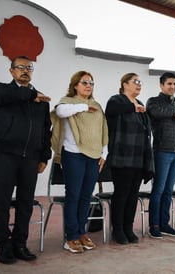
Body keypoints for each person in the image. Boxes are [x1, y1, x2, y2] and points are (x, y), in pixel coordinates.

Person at [0, 56, 51, 264]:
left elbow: (46, 131)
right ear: (11, 71)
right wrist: (31, 94)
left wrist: (44, 156)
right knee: (3, 202)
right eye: (20, 67)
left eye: (29, 67)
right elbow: (12, 94)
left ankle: (20, 244)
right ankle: (3, 245)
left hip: (31, 158)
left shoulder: (40, 100)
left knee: (25, 203)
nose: (25, 71)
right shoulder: (2, 91)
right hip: (6, 155)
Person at [51, 71, 108, 253]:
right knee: (73, 195)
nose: (89, 85)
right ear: (75, 84)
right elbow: (59, 112)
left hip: (93, 156)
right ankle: (71, 237)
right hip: (73, 154)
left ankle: (82, 232)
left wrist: (104, 153)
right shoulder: (68, 102)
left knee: (86, 197)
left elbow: (103, 130)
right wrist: (83, 107)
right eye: (84, 82)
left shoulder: (97, 105)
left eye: (91, 83)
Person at [105, 73, 154, 244]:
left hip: (139, 158)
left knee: (133, 195)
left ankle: (128, 227)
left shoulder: (140, 104)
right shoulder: (116, 100)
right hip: (122, 157)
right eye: (135, 82)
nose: (139, 85)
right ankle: (117, 230)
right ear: (125, 84)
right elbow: (111, 111)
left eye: (140, 82)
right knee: (121, 193)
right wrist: (133, 108)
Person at [146, 72, 175, 239]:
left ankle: (164, 224)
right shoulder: (154, 102)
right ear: (161, 85)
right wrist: (172, 112)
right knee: (159, 190)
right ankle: (154, 226)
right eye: (169, 84)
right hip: (161, 151)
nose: (173, 87)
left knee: (169, 191)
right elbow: (154, 112)